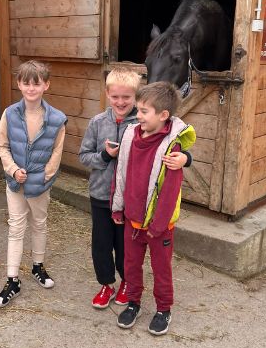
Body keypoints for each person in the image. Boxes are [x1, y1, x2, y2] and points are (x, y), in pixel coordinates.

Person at [79, 68, 191, 310]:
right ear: (107, 94)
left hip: (130, 202)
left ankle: (127, 283)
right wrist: (105, 156)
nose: (121, 102)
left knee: (125, 249)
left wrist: (186, 158)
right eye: (115, 96)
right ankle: (106, 284)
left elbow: (171, 141)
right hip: (101, 195)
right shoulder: (97, 123)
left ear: (136, 96)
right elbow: (84, 156)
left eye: (127, 97)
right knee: (101, 245)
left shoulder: (141, 123)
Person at [111, 81, 196, 336]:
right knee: (131, 265)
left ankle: (163, 309)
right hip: (133, 220)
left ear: (163, 115)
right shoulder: (130, 136)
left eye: (144, 111)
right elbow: (121, 172)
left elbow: (170, 190)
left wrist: (158, 226)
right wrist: (118, 207)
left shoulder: (172, 148)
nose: (137, 115)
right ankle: (133, 302)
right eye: (138, 109)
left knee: (161, 268)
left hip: (160, 226)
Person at [0, 60, 67, 308]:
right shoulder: (9, 114)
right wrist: (13, 170)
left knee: (39, 223)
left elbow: (57, 150)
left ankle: (38, 266)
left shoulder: (57, 119)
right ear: (19, 84)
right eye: (26, 83)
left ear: (46, 85)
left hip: (40, 184)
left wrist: (46, 175)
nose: (31, 88)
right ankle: (12, 279)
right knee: (16, 227)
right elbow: (2, 145)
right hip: (15, 182)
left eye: (37, 83)